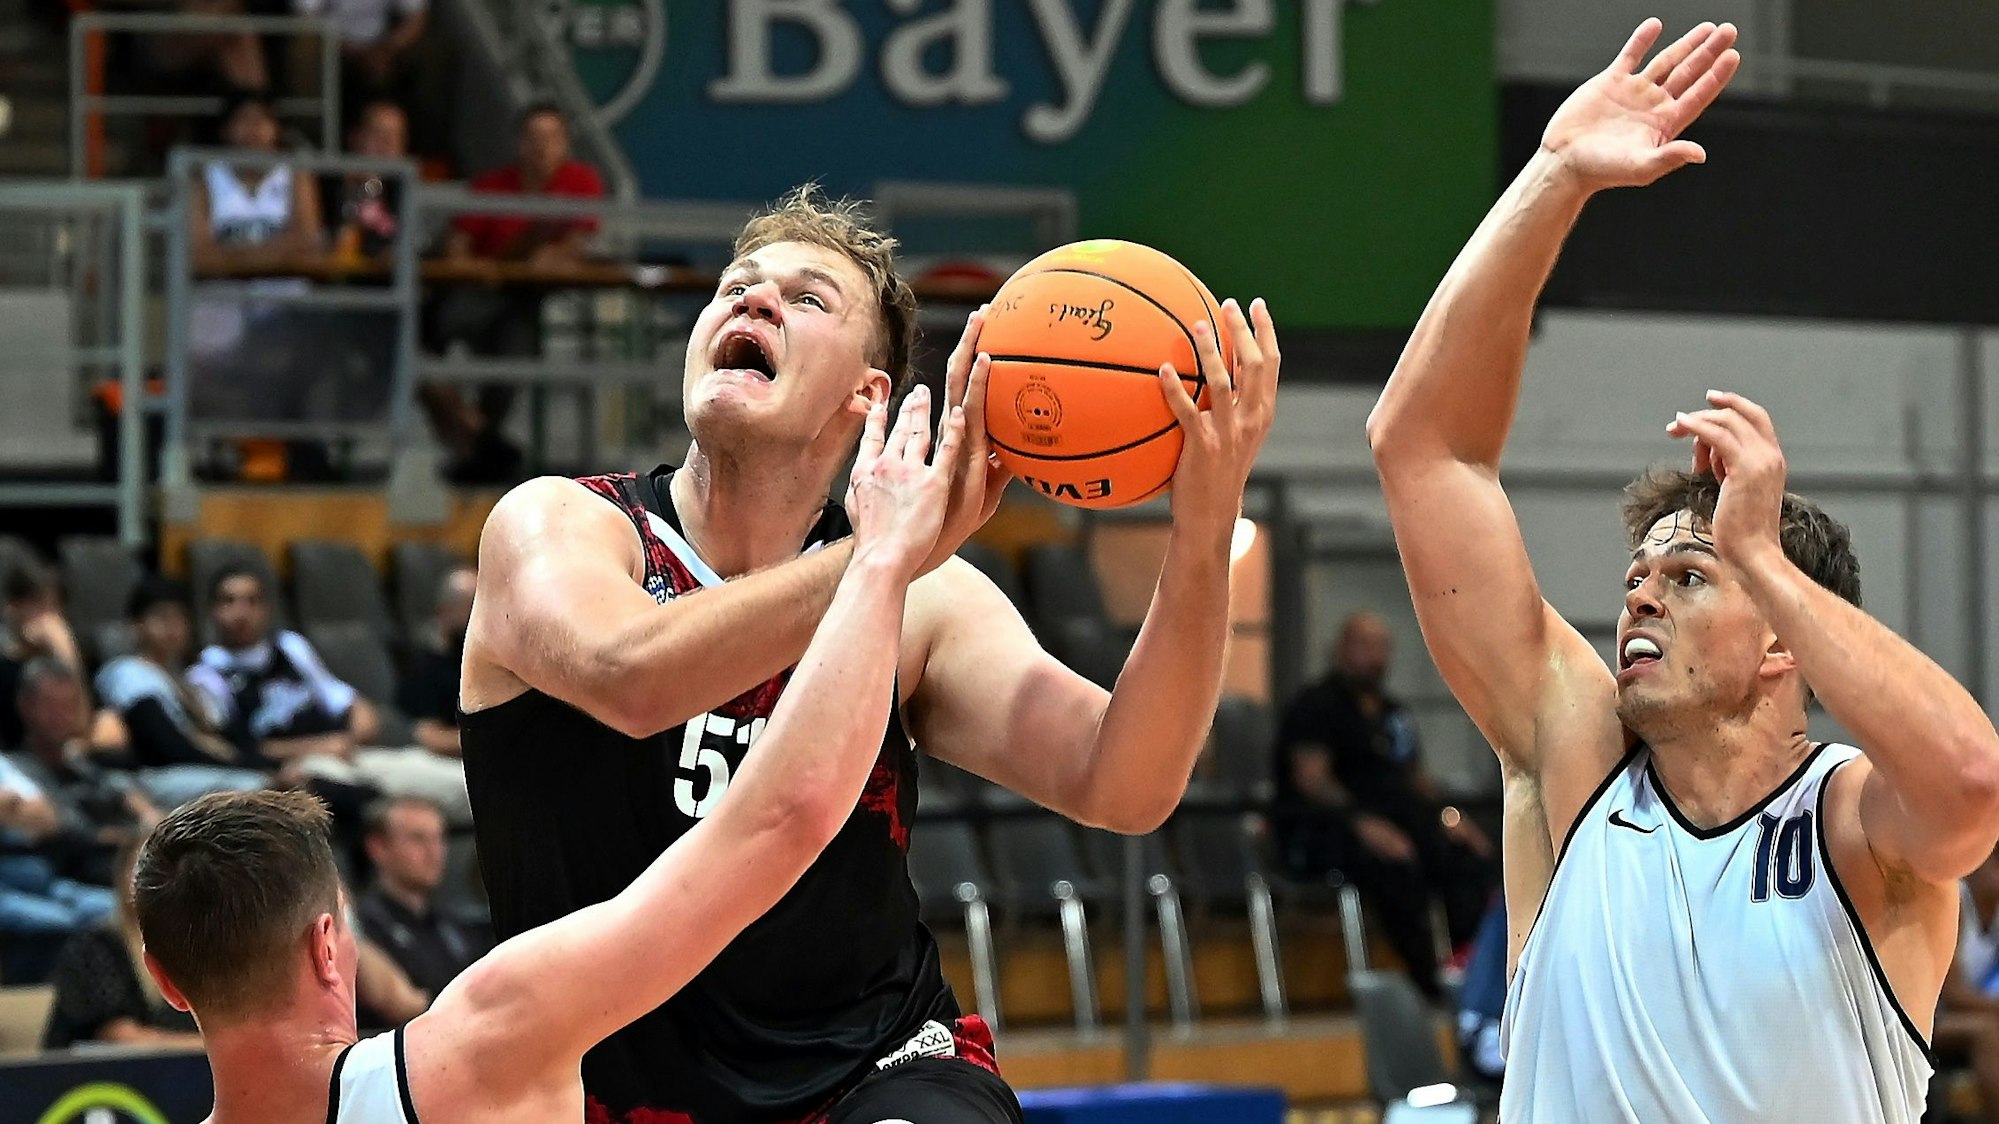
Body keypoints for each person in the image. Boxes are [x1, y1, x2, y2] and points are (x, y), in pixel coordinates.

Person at [460, 184, 1278, 1122]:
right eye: (735, 286)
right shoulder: (559, 523)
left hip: (874, 1068)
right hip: (598, 1087)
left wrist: (1204, 525)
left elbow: (1125, 783)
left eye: (806, 298)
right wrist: (879, 559)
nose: (754, 300)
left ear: (867, 393)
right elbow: (630, 676)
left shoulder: (920, 596)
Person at [1368, 20, 1999, 1122]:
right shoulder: (1573, 761)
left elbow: (1973, 783)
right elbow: (1423, 450)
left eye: (1689, 576)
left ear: (1782, 641)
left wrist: (1756, 549)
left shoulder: (1853, 822)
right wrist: (1553, 177)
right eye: (1636, 577)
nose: (1639, 595)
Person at [133, 388, 965, 1122]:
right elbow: (780, 823)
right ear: (328, 944)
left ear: (165, 979)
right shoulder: (478, 1049)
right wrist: (880, 559)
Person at [1272, 611, 1494, 996]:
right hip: (1330, 829)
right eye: (1365, 645)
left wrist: (1450, 817)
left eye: (1382, 647)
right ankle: (1428, 981)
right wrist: (1363, 823)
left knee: (1467, 858)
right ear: (1341, 649)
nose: (1375, 656)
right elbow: (1312, 778)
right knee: (1398, 867)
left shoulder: (1393, 712)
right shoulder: (1316, 706)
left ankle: (1472, 966)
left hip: (1401, 822)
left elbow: (1415, 777)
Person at [189, 566, 471, 825]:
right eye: (230, 601)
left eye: (252, 601)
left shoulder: (289, 646)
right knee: (360, 796)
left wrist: (357, 726)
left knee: (468, 785)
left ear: (267, 608)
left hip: (350, 752)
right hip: (299, 769)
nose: (241, 612)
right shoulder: (207, 675)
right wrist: (320, 746)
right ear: (213, 610)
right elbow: (240, 750)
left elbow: (345, 700)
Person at [423, 103, 607, 484]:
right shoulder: (491, 186)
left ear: (566, 144)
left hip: (525, 299)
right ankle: (478, 436)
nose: (542, 147)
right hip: (475, 295)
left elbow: (574, 246)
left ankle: (481, 446)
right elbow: (457, 247)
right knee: (421, 345)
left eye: (552, 138)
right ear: (519, 143)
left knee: (513, 351)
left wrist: (545, 257)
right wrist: (482, 266)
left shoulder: (580, 181)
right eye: (534, 138)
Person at [96, 576, 268, 808]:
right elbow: (165, 746)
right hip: (154, 776)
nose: (172, 627)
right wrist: (241, 764)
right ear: (137, 625)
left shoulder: (189, 678)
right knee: (259, 789)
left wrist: (253, 761)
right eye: (162, 617)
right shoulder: (128, 671)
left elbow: (230, 734)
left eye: (180, 618)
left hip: (201, 770)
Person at [7, 659, 159, 887]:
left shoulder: (76, 761)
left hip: (124, 856)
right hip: (77, 871)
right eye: (51, 706)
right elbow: (73, 830)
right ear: (26, 706)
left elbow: (113, 787)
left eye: (69, 706)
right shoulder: (17, 769)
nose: (62, 716)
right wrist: (134, 839)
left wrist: (145, 811)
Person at [43, 844, 202, 1050]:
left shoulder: (202, 944)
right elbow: (121, 1037)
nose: (164, 881)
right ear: (123, 876)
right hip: (105, 1067)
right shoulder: (94, 946)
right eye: (149, 870)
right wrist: (207, 1046)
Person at [0, 749, 116, 983]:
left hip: (47, 884)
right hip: (6, 892)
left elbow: (49, 819)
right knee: (60, 922)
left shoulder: (5, 763)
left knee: (118, 908)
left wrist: (12, 811)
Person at [355, 796, 488, 1001]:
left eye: (439, 839)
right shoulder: (363, 926)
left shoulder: (457, 927)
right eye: (418, 838)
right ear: (378, 847)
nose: (434, 852)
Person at [1938, 845, 1999, 1122]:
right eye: (1996, 861)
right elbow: (1952, 995)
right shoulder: (1955, 902)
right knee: (1987, 1032)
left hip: (1969, 1012)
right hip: (1930, 1019)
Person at [0, 559, 85, 750]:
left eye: (56, 606)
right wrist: (65, 650)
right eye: (40, 606)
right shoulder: (5, 670)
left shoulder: (60, 657)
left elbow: (81, 729)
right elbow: (74, 729)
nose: (52, 620)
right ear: (13, 609)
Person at [395, 566, 473, 758]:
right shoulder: (420, 666)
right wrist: (493, 739)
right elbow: (430, 737)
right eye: (472, 607)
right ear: (444, 611)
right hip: (436, 758)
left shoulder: (473, 660)